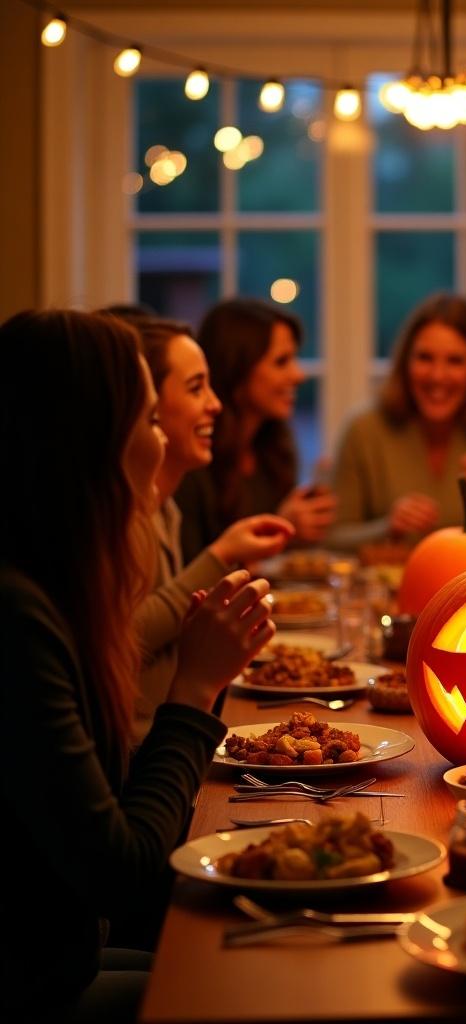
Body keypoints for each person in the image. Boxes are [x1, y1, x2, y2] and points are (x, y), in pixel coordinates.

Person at [0, 310, 276, 1019]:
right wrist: (194, 687)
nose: (160, 448)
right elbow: (123, 876)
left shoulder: (45, 588)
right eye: (151, 419)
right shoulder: (18, 620)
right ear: (89, 442)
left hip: (66, 958)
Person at [133, 317, 294, 741]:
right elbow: (127, 636)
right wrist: (221, 557)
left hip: (170, 737)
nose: (215, 404)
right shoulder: (125, 518)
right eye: (195, 388)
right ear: (144, 404)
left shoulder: (165, 509)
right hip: (144, 752)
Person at [327, 293, 466, 543]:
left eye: (455, 361)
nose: (438, 376)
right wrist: (387, 528)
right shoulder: (363, 429)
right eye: (425, 358)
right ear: (405, 363)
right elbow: (332, 538)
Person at [174, 298, 335, 563]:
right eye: (282, 362)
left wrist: (299, 527)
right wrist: (279, 528)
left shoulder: (272, 446)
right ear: (238, 367)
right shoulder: (193, 461)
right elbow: (190, 584)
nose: (298, 375)